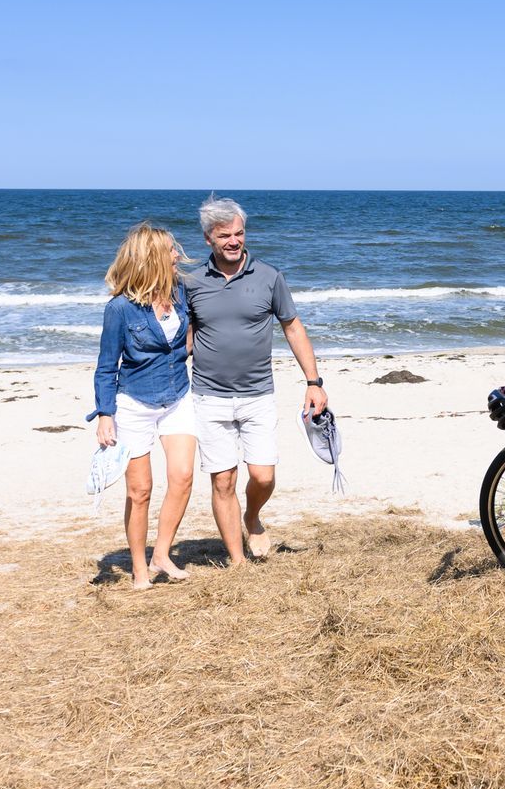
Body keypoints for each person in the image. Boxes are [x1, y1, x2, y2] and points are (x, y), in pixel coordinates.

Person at [182, 195, 327, 565]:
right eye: (225, 235)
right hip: (208, 396)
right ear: (208, 240)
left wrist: (314, 382)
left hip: (258, 393)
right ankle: (237, 559)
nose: (234, 241)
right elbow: (184, 336)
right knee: (223, 481)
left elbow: (292, 327)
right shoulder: (191, 281)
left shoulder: (269, 276)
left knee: (263, 477)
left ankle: (251, 516)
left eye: (239, 233)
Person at [88, 223, 197, 590]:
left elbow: (191, 335)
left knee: (182, 477)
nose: (177, 255)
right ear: (151, 257)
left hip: (178, 396)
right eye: (170, 250)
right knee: (140, 491)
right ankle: (139, 569)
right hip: (133, 403)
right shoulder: (119, 309)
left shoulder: (180, 292)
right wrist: (105, 414)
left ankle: (162, 554)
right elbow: (106, 366)